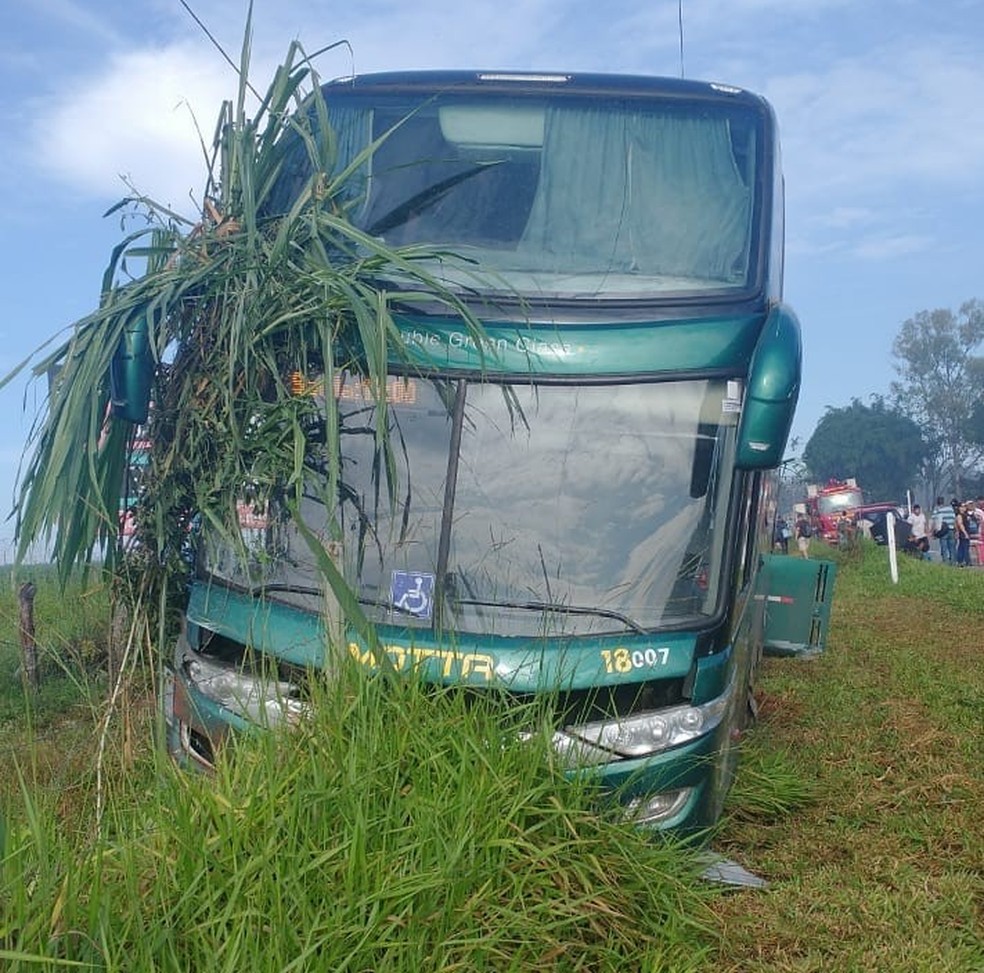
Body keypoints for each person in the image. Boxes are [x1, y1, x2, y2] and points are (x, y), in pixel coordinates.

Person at [930, 495, 955, 564]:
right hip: (951, 530)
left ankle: (945, 562)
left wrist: (933, 532)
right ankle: (953, 561)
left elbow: (935, 521)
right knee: (952, 547)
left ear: (937, 502)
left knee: (944, 547)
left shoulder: (938, 510)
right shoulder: (950, 509)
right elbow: (954, 519)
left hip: (943, 531)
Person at [954, 501, 971, 567]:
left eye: (964, 506)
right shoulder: (959, 516)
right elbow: (960, 525)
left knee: (962, 547)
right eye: (961, 507)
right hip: (963, 533)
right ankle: (964, 561)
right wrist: (965, 533)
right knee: (964, 547)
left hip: (965, 532)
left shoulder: (966, 515)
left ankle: (961, 561)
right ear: (959, 508)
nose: (963, 508)